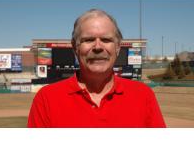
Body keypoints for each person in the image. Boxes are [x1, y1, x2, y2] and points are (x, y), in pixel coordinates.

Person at [28, 9, 166, 128]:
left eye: (106, 40)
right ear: (75, 47)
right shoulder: (46, 99)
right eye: (88, 40)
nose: (98, 47)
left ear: (118, 47)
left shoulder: (143, 96)